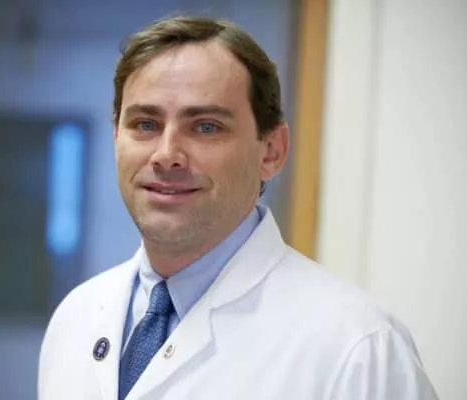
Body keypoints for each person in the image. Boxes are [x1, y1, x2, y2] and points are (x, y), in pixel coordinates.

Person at [38, 15, 439, 400]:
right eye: (145, 124)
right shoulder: (75, 319)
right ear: (116, 138)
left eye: (206, 127)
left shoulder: (358, 349)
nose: (166, 155)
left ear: (272, 151)